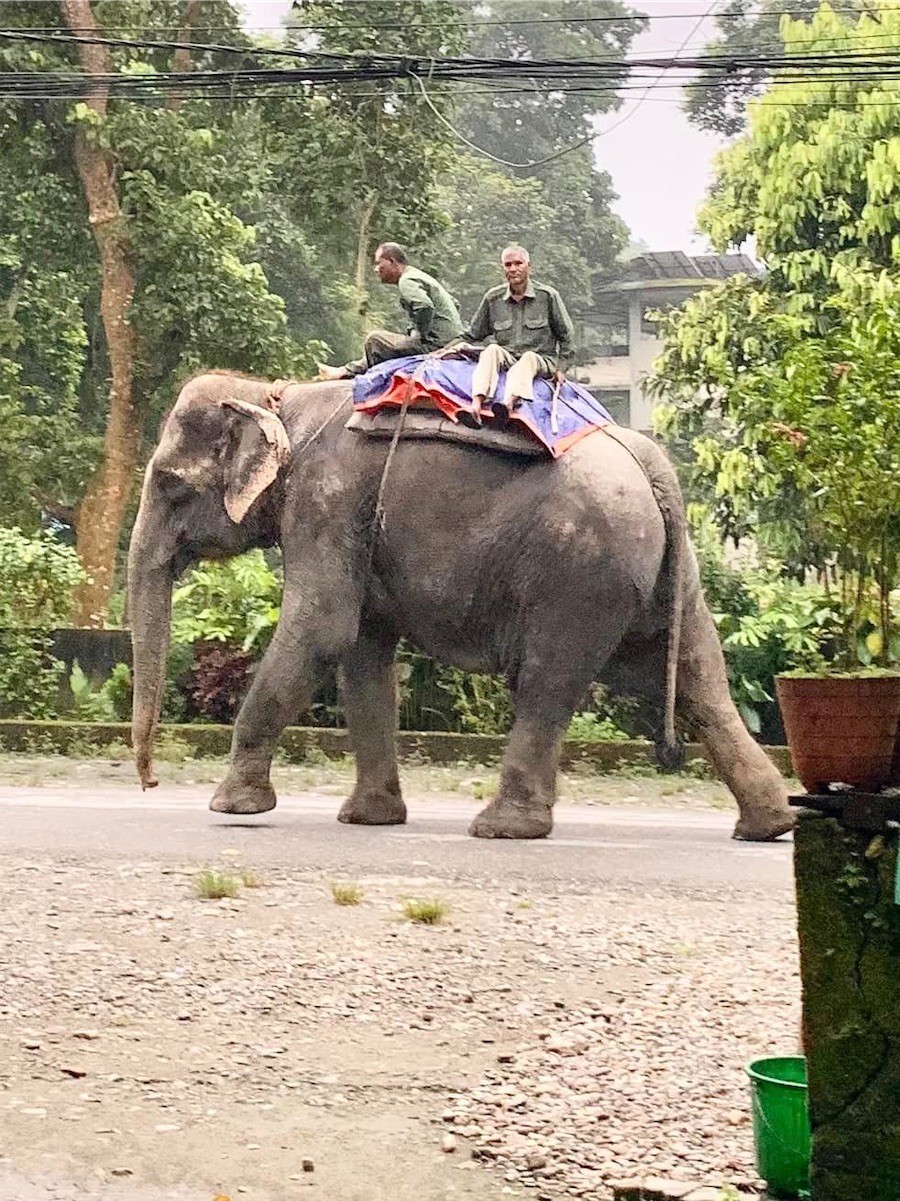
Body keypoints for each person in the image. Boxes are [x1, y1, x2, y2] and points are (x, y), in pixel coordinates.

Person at [455, 245, 576, 428]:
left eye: (518, 263)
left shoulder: (548, 296)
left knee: (528, 358)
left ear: (529, 266)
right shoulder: (493, 298)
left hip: (541, 359)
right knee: (491, 350)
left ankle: (508, 405)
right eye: (508, 264)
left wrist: (561, 368)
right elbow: (473, 334)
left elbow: (566, 335)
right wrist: (448, 349)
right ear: (502, 268)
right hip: (509, 356)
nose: (513, 269)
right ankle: (476, 406)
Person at [317, 242, 464, 380]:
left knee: (375, 341)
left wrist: (421, 335)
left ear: (392, 261)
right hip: (452, 341)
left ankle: (352, 375)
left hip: (436, 345)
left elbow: (424, 306)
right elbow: (455, 304)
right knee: (389, 343)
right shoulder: (420, 276)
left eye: (378, 263)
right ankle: (346, 370)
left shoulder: (407, 280)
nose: (376, 269)